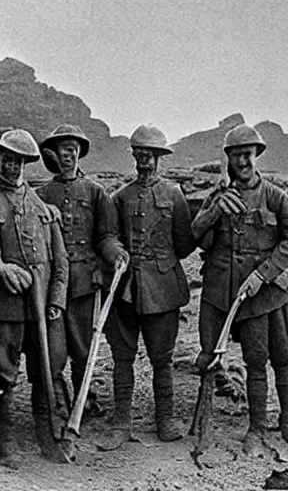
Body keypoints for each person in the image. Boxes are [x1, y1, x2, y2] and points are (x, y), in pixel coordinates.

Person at [191, 124, 288, 456]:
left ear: (256, 156)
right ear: (227, 158)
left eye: (248, 154)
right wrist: (214, 210)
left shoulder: (274, 195)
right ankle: (236, 429)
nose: (243, 161)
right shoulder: (217, 195)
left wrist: (265, 274)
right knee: (216, 358)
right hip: (222, 291)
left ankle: (280, 424)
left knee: (270, 359)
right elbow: (195, 235)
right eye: (236, 155)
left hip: (261, 294)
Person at [104, 124, 195, 448]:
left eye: (150, 155)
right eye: (140, 155)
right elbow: (110, 236)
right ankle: (121, 424)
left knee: (162, 357)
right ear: (133, 156)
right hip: (126, 288)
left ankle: (165, 420)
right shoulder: (121, 196)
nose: (145, 161)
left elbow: (184, 243)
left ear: (159, 157)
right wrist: (117, 253)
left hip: (163, 287)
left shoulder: (174, 194)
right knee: (123, 357)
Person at [37, 124, 129, 415]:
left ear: (80, 154)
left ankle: (84, 402)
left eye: (73, 149)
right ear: (55, 153)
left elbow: (106, 236)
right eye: (64, 149)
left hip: (85, 283)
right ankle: (58, 407)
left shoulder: (96, 192)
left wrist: (116, 255)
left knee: (83, 350)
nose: (68, 155)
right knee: (54, 351)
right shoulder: (42, 194)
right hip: (52, 285)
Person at [0, 129, 70, 465]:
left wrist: (56, 301)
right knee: (3, 373)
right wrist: (1, 269)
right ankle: (5, 444)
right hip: (6, 306)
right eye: (6, 160)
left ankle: (49, 438)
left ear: (27, 164)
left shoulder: (42, 206)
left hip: (41, 307)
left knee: (46, 369)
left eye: (17, 161)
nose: (11, 167)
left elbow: (61, 261)